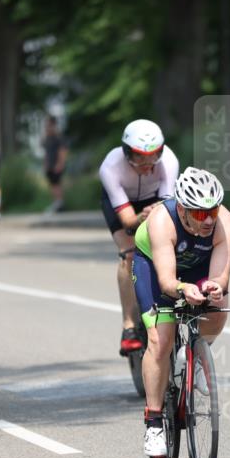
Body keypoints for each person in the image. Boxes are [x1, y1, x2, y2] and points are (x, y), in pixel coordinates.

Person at [131, 167, 230, 458]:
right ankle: (154, 422)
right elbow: (167, 281)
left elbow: (220, 276)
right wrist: (182, 288)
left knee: (217, 308)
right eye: (200, 214)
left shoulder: (225, 224)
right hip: (155, 265)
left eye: (213, 211)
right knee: (160, 339)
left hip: (197, 264)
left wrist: (214, 288)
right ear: (182, 209)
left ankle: (197, 356)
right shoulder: (161, 222)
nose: (209, 220)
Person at [98, 119, 179, 356]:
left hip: (155, 198)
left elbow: (168, 209)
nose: (147, 163)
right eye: (139, 157)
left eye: (154, 156)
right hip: (125, 206)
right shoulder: (110, 167)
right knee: (130, 253)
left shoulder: (169, 162)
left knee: (169, 244)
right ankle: (129, 327)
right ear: (126, 153)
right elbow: (128, 222)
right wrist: (141, 217)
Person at [42, 115, 68, 214]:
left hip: (56, 165)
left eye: (48, 125)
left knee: (57, 184)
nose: (46, 127)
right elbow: (46, 153)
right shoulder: (48, 138)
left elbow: (63, 151)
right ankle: (56, 203)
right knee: (53, 184)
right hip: (50, 165)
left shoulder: (58, 137)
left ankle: (60, 203)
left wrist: (60, 164)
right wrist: (45, 164)